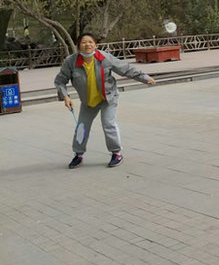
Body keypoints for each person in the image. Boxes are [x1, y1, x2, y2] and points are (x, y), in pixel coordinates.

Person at [54, 33, 157, 169]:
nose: (87, 45)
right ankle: (78, 154)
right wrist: (65, 96)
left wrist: (144, 77)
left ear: (95, 45)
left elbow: (125, 69)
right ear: (78, 46)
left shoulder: (104, 58)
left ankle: (116, 153)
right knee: (82, 127)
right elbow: (60, 80)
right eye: (84, 42)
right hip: (88, 101)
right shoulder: (71, 61)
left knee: (108, 124)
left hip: (108, 97)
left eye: (90, 42)